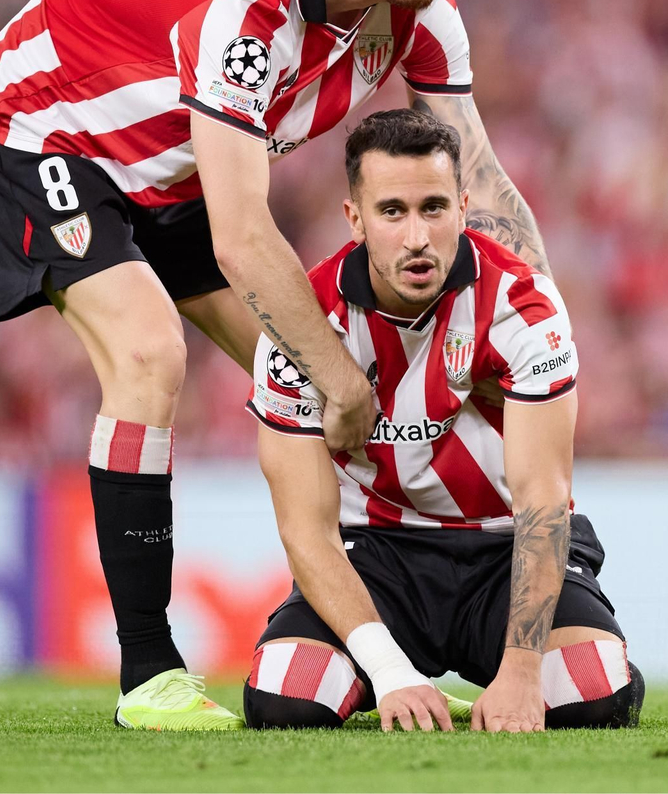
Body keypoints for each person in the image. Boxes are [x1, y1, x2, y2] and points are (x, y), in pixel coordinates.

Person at [0, 0, 552, 728]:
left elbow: (476, 177)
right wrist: (340, 378)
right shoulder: (243, 13)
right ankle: (147, 674)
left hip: (172, 166)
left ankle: (399, 652)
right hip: (43, 130)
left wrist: (543, 327)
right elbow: (241, 236)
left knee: (319, 391)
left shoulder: (423, 11)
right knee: (155, 353)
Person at [242, 109, 644, 732]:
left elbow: (544, 501)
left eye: (433, 208)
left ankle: (576, 647)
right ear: (356, 219)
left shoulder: (522, 307)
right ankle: (388, 675)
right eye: (392, 212)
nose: (416, 237)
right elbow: (305, 531)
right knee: (284, 699)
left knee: (594, 694)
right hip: (375, 555)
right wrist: (390, 671)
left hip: (505, 548)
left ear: (461, 208)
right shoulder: (304, 325)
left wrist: (519, 669)